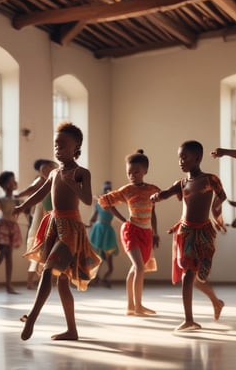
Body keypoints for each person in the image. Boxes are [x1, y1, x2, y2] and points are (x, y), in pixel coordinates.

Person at [14, 122, 101, 341]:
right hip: (54, 225)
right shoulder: (53, 173)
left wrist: (73, 185)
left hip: (71, 229)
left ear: (76, 147)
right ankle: (72, 330)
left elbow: (88, 200)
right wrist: (22, 206)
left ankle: (32, 317)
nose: (58, 149)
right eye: (56, 144)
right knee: (62, 283)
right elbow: (40, 194)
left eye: (63, 145)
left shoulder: (81, 173)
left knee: (47, 271)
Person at [151, 140, 226, 331]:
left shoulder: (210, 179)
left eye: (184, 157)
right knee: (189, 275)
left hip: (203, 233)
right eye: (179, 158)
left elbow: (221, 197)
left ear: (198, 158)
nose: (180, 161)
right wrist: (157, 196)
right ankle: (191, 318)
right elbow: (166, 193)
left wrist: (217, 214)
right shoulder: (182, 183)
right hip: (185, 232)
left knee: (195, 276)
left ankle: (215, 304)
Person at [98, 150, 160, 316]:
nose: (132, 175)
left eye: (136, 172)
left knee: (136, 268)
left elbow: (153, 213)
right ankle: (138, 306)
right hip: (131, 231)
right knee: (139, 267)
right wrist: (122, 219)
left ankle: (131, 306)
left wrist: (155, 232)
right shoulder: (127, 190)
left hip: (146, 232)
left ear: (145, 171)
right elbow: (104, 201)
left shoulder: (153, 190)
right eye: (129, 173)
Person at [17, 159, 57, 289]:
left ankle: (52, 279)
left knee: (54, 248)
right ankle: (32, 281)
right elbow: (32, 189)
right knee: (39, 247)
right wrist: (18, 196)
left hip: (55, 216)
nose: (45, 171)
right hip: (43, 217)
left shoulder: (56, 177)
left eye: (47, 168)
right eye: (42, 170)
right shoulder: (41, 180)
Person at [88, 180, 119, 287]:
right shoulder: (98, 204)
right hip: (98, 230)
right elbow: (93, 218)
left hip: (108, 232)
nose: (107, 191)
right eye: (105, 189)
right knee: (97, 258)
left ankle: (105, 278)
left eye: (108, 189)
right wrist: (88, 225)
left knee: (109, 260)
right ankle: (95, 278)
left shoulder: (113, 203)